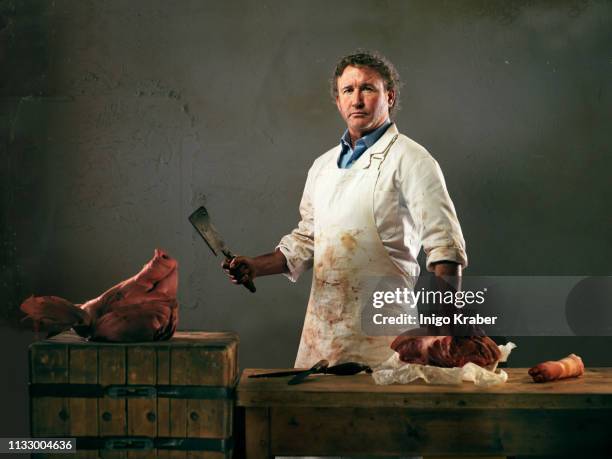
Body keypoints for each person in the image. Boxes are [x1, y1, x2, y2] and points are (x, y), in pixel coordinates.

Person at [223, 51, 467, 370]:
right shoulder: (322, 168)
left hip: (387, 343)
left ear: (389, 96)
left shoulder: (412, 160)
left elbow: (445, 250)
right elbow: (306, 241)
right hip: (321, 340)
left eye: (368, 88)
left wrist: (443, 334)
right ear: (338, 101)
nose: (357, 100)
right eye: (348, 90)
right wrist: (255, 266)